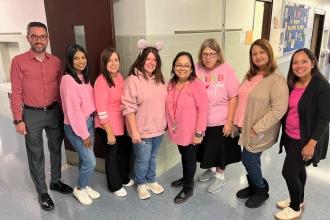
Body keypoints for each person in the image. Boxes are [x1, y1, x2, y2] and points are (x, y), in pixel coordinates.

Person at [10, 22, 72, 211]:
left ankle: (55, 181)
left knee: (55, 148)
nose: (39, 40)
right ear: (28, 38)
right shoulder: (18, 61)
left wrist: (65, 113)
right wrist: (18, 119)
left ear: (48, 39)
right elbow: (16, 92)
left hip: (53, 111)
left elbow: (63, 89)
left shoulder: (56, 62)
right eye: (34, 36)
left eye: (42, 36)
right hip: (31, 113)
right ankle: (42, 192)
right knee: (36, 153)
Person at [275, 48, 330, 220]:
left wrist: (311, 144)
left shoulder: (321, 86)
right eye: (295, 62)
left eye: (304, 61)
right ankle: (298, 199)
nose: (299, 66)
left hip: (305, 139)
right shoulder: (293, 82)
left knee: (289, 172)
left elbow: (324, 118)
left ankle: (294, 208)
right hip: (290, 135)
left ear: (313, 63)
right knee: (298, 171)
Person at [234, 39, 289, 208]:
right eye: (254, 54)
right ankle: (255, 185)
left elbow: (279, 109)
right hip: (245, 126)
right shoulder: (250, 75)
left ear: (269, 54)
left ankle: (260, 191)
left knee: (248, 159)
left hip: (259, 129)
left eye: (261, 52)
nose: (258, 56)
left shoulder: (276, 79)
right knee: (252, 158)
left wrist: (257, 127)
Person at [121, 39, 167, 200]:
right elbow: (128, 108)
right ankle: (141, 183)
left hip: (158, 129)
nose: (151, 62)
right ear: (141, 59)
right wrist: (134, 131)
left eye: (154, 59)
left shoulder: (160, 80)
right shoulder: (132, 80)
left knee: (152, 157)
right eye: (148, 59)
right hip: (141, 131)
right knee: (142, 159)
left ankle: (151, 179)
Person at [195, 38, 241, 193]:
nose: (208, 57)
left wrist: (229, 122)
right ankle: (210, 169)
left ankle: (220, 177)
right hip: (201, 121)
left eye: (212, 54)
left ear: (218, 54)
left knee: (220, 151)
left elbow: (234, 96)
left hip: (221, 120)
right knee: (206, 150)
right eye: (205, 54)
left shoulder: (226, 69)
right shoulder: (197, 68)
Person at [60, 44, 100, 205]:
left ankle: (85, 185)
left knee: (85, 159)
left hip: (89, 122)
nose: (80, 61)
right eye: (76, 58)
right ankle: (80, 188)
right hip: (77, 126)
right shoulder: (68, 79)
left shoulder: (84, 77)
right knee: (90, 161)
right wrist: (84, 135)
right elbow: (73, 111)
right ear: (70, 61)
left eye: (83, 57)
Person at [166, 51, 208, 203]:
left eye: (186, 65)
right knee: (184, 155)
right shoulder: (171, 83)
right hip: (177, 130)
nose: (182, 68)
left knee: (189, 158)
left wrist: (199, 133)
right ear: (174, 66)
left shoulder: (196, 85)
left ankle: (188, 188)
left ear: (191, 68)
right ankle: (185, 178)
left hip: (191, 132)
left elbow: (203, 110)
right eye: (179, 65)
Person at [94, 47, 133, 197]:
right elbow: (101, 109)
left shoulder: (119, 77)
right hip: (106, 125)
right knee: (113, 154)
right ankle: (114, 185)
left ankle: (123, 178)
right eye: (109, 60)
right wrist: (109, 132)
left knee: (124, 151)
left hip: (119, 124)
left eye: (116, 60)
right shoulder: (101, 81)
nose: (113, 63)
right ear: (104, 62)